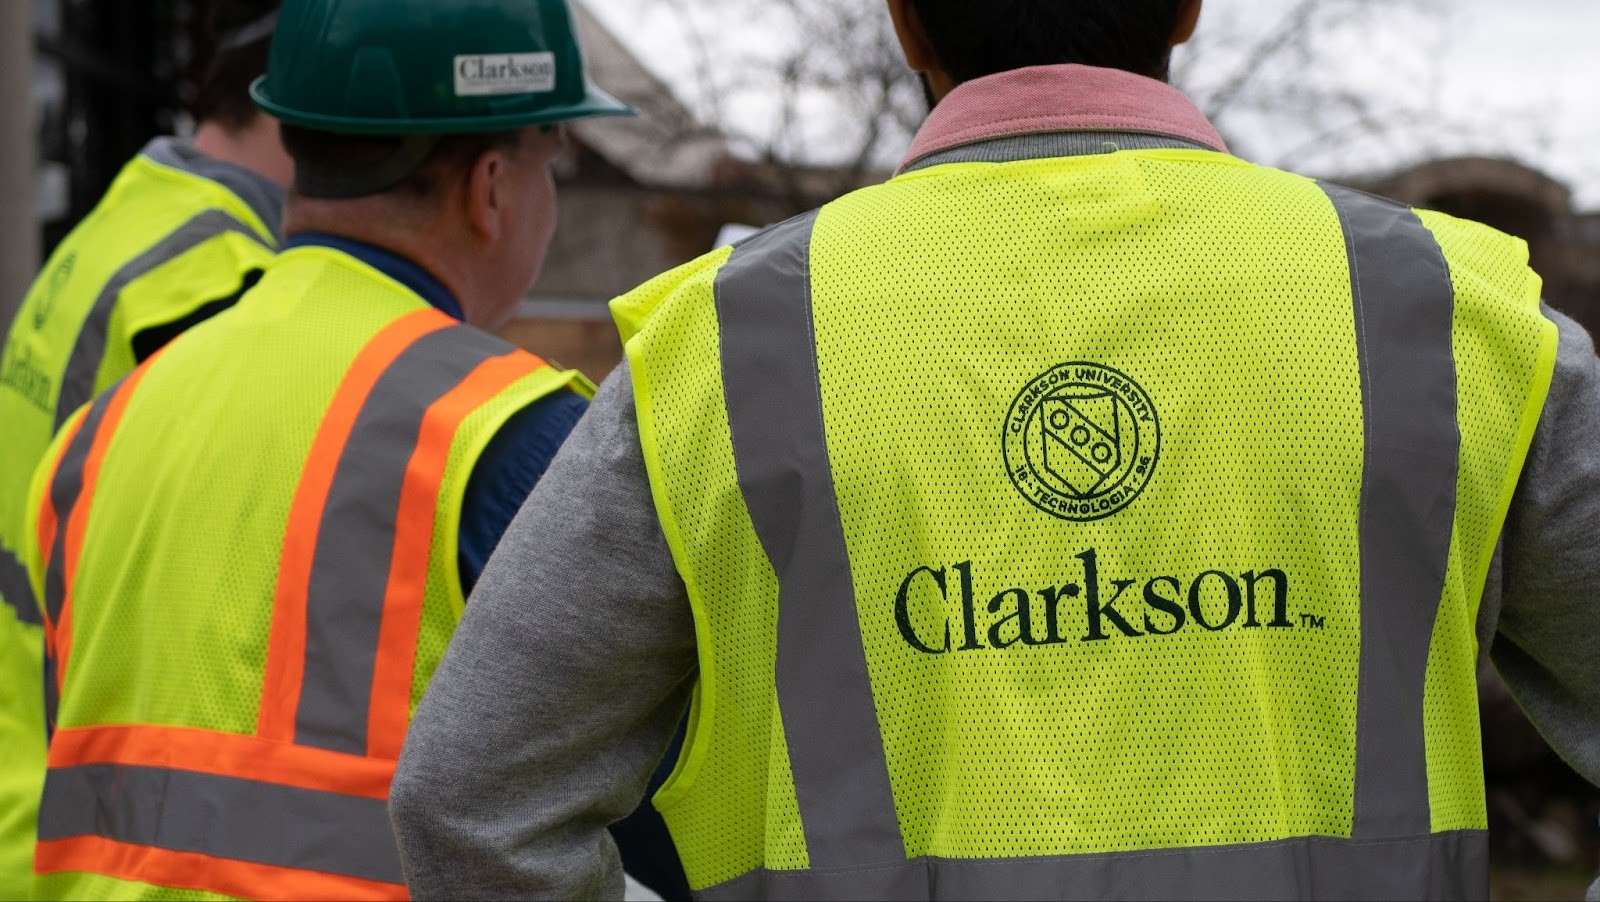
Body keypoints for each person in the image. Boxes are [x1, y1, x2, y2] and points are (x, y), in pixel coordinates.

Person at [387, 0, 1600, 899]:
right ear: (1185, 7)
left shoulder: (723, 349)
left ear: (903, 22)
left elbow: (471, 803)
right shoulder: (1447, 319)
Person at [17, 0, 633, 897]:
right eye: (556, 163)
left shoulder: (99, 430)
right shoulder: (503, 431)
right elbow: (648, 802)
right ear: (491, 186)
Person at [0, 5, 287, 896]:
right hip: (82, 804)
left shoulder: (124, 223)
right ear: (283, 117)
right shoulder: (216, 275)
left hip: (33, 752)